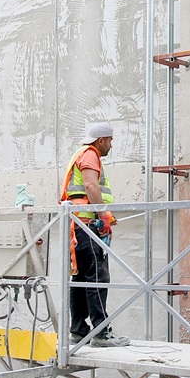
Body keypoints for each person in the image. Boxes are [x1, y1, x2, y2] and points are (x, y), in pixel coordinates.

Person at [61, 122, 129, 347]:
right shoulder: (91, 155)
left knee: (80, 278)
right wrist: (103, 217)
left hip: (79, 224)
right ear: (101, 140)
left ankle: (79, 330)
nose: (111, 145)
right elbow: (91, 186)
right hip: (88, 224)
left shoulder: (80, 154)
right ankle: (101, 332)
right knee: (98, 277)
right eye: (110, 140)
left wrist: (104, 215)